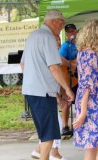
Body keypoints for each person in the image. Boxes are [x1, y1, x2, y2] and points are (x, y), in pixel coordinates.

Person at [21, 9, 74, 160]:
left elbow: (23, 64)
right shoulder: (48, 37)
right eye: (62, 23)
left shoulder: (33, 36)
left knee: (46, 132)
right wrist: (67, 89)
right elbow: (54, 67)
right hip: (42, 92)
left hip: (32, 90)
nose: (62, 26)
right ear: (54, 21)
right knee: (49, 133)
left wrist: (55, 92)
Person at [73, 19, 98, 160]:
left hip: (93, 103)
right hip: (94, 105)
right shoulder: (90, 55)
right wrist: (83, 111)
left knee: (91, 146)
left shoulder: (84, 53)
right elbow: (86, 85)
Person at [31, 35, 68, 160]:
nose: (58, 41)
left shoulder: (53, 55)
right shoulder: (49, 56)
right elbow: (52, 76)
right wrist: (60, 95)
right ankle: (54, 152)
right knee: (55, 124)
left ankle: (39, 150)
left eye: (59, 39)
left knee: (50, 125)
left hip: (45, 92)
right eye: (55, 39)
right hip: (46, 93)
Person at [59, 23, 78, 136]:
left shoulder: (81, 45)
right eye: (68, 32)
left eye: (72, 31)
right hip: (70, 76)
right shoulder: (66, 46)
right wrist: (72, 64)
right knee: (67, 101)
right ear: (66, 34)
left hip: (79, 77)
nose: (71, 33)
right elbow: (60, 59)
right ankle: (65, 126)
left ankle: (77, 124)